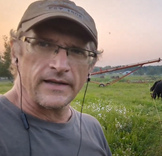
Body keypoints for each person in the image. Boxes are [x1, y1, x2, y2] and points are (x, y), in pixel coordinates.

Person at [0, 0, 112, 156]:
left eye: (77, 51)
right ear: (15, 52)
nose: (60, 65)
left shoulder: (93, 129)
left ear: (90, 67)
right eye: (43, 44)